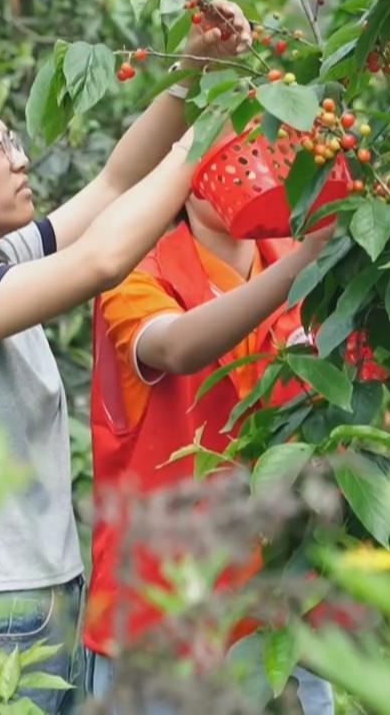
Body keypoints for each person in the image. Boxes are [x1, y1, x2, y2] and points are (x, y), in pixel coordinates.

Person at [0, 2, 252, 712]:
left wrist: (194, 74)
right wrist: (211, 131)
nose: (20, 157)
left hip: (46, 612)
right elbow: (102, 259)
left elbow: (116, 184)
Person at [84, 183, 337, 714]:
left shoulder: (314, 270)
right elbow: (174, 345)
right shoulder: (135, 273)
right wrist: (305, 265)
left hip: (282, 636)